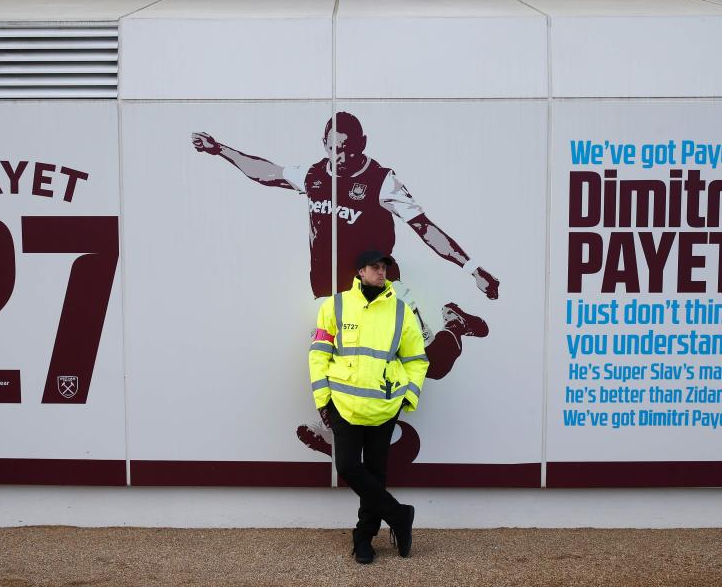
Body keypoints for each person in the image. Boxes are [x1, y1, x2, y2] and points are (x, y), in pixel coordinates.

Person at [191, 111, 499, 386]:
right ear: (323, 143)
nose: (338, 155)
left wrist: (472, 268)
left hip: (381, 293)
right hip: (332, 295)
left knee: (431, 369)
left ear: (361, 144)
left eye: (346, 148)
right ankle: (339, 435)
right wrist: (219, 150)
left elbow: (425, 227)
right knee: (332, 364)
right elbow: (267, 172)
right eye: (332, 147)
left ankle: (455, 325)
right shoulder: (313, 175)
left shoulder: (381, 181)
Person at [309, 250, 428, 563]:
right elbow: (318, 354)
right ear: (360, 271)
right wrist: (324, 400)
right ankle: (400, 515)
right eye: (374, 267)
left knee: (375, 474)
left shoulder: (401, 311)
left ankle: (364, 538)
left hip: (384, 407)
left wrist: (407, 397)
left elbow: (417, 360)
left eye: (384, 267)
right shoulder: (334, 305)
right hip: (344, 406)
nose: (381, 272)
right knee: (348, 467)